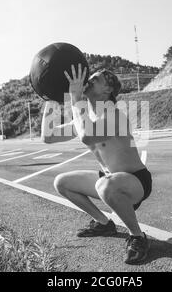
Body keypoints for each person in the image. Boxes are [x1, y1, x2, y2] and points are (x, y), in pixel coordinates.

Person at [41, 64, 152, 265]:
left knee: (105, 185)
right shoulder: (85, 118)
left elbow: (87, 136)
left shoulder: (114, 114)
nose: (89, 78)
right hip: (109, 181)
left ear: (108, 90)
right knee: (62, 182)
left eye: (96, 78)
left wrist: (75, 99)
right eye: (90, 77)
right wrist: (51, 98)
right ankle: (103, 224)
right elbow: (48, 136)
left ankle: (138, 237)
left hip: (136, 181)